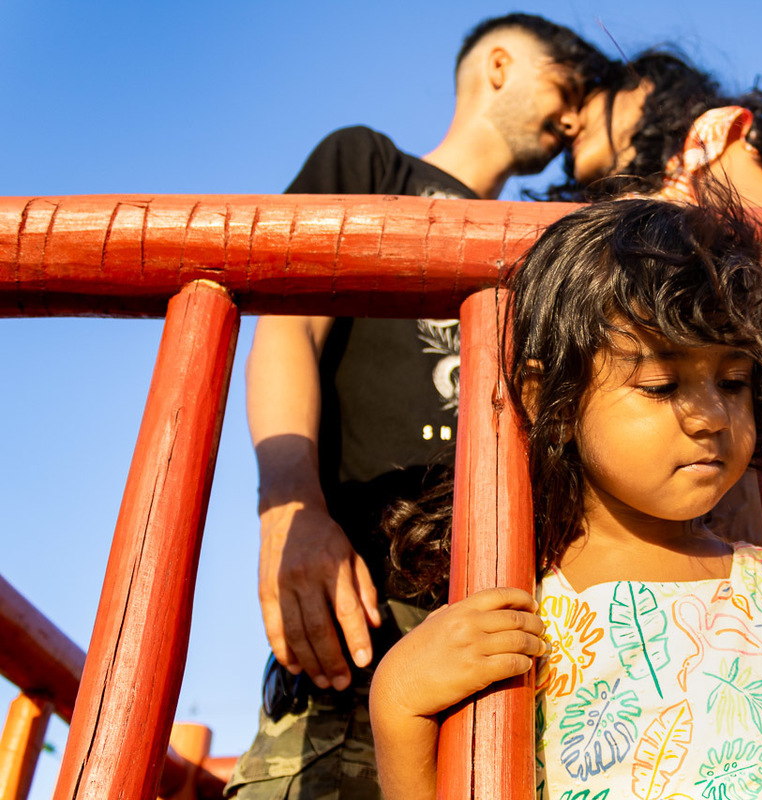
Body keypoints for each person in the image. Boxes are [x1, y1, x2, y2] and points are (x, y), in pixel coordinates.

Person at [369, 198, 762, 800]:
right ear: (552, 405)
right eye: (661, 384)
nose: (711, 416)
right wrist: (399, 703)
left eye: (733, 382)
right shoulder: (521, 596)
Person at [229, 13, 608, 798]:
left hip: (517, 620)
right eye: (567, 87)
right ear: (499, 65)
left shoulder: (550, 240)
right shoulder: (370, 163)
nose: (574, 120)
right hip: (366, 607)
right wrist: (290, 508)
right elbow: (289, 331)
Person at [546, 49, 762, 207]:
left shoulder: (712, 136)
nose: (569, 124)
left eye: (582, 103)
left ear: (642, 87)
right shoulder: (589, 205)